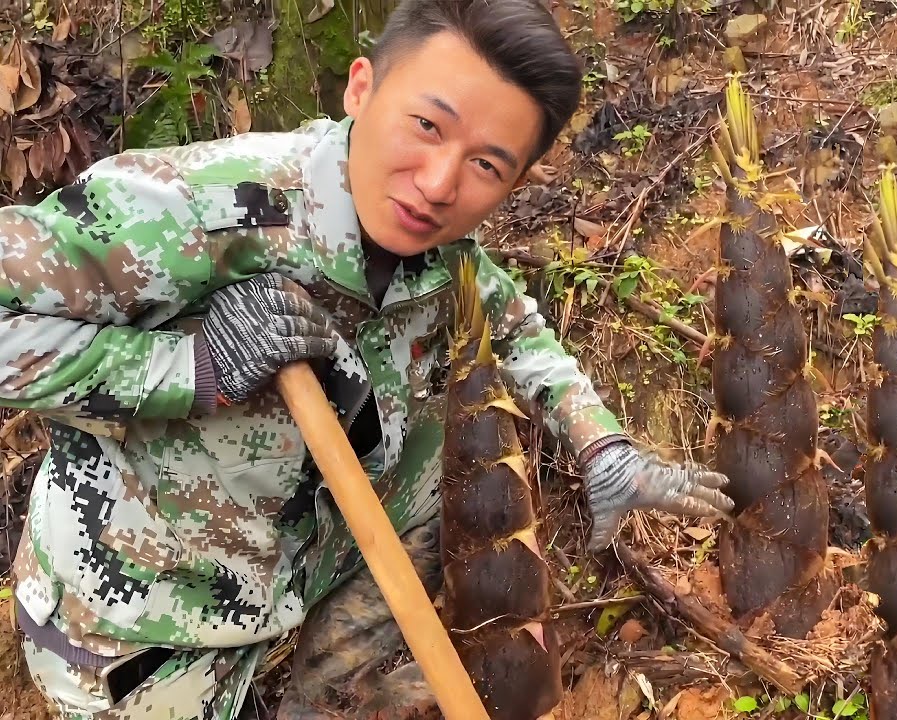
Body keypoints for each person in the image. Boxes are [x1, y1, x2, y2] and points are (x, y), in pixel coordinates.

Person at [0, 0, 734, 716]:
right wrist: (189, 369)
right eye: (425, 125)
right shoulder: (195, 206)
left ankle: (324, 696)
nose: (440, 183)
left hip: (307, 558)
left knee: (440, 454)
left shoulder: (444, 255)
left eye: (485, 163)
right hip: (148, 618)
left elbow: (515, 327)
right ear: (360, 88)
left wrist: (602, 445)